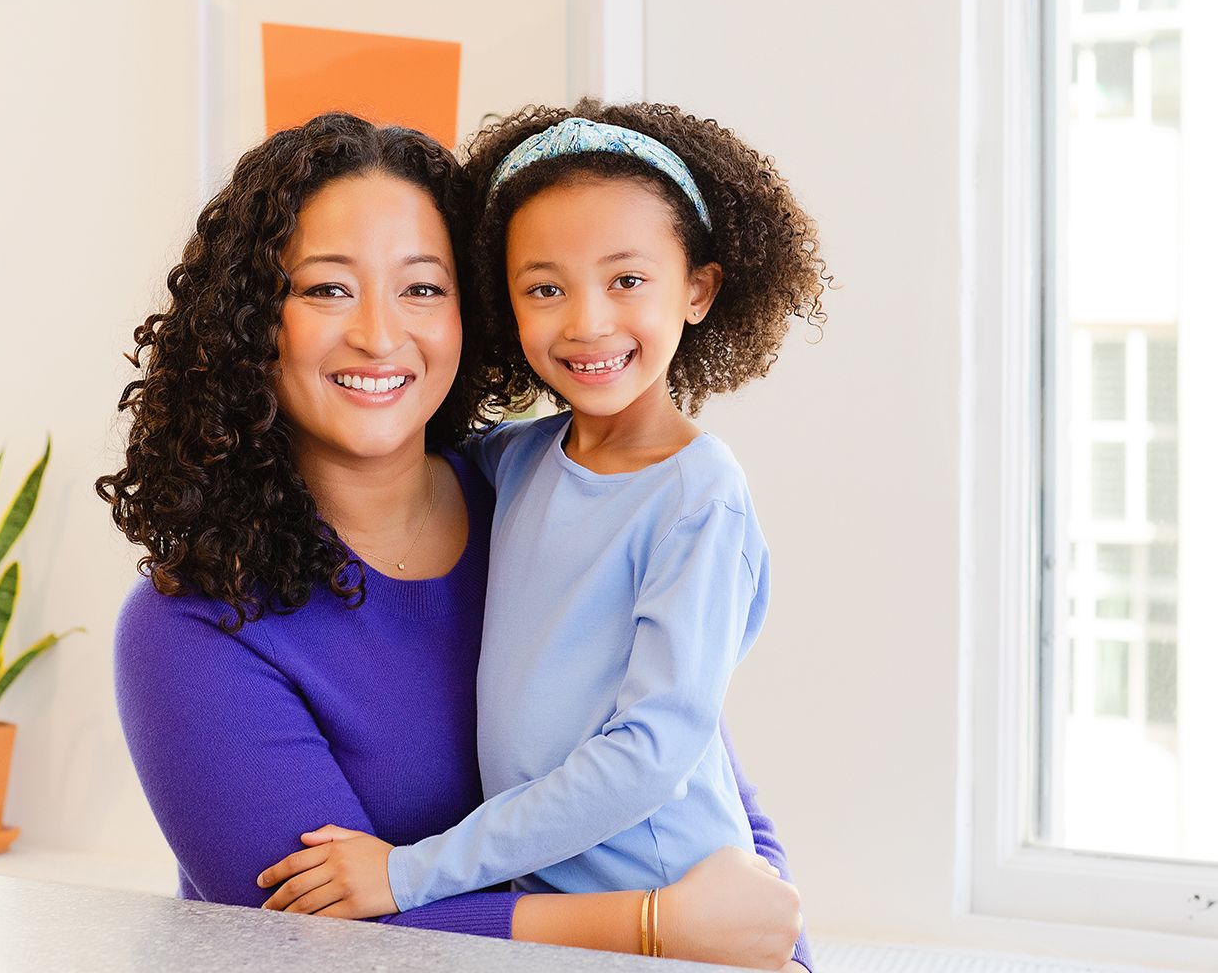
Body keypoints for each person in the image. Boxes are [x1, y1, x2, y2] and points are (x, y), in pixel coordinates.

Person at [98, 111, 810, 970]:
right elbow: (302, 934)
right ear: (251, 324)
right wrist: (653, 928)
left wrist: (776, 935)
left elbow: (703, 784)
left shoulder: (546, 494)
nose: (379, 334)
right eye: (327, 288)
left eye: (422, 288)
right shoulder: (194, 626)